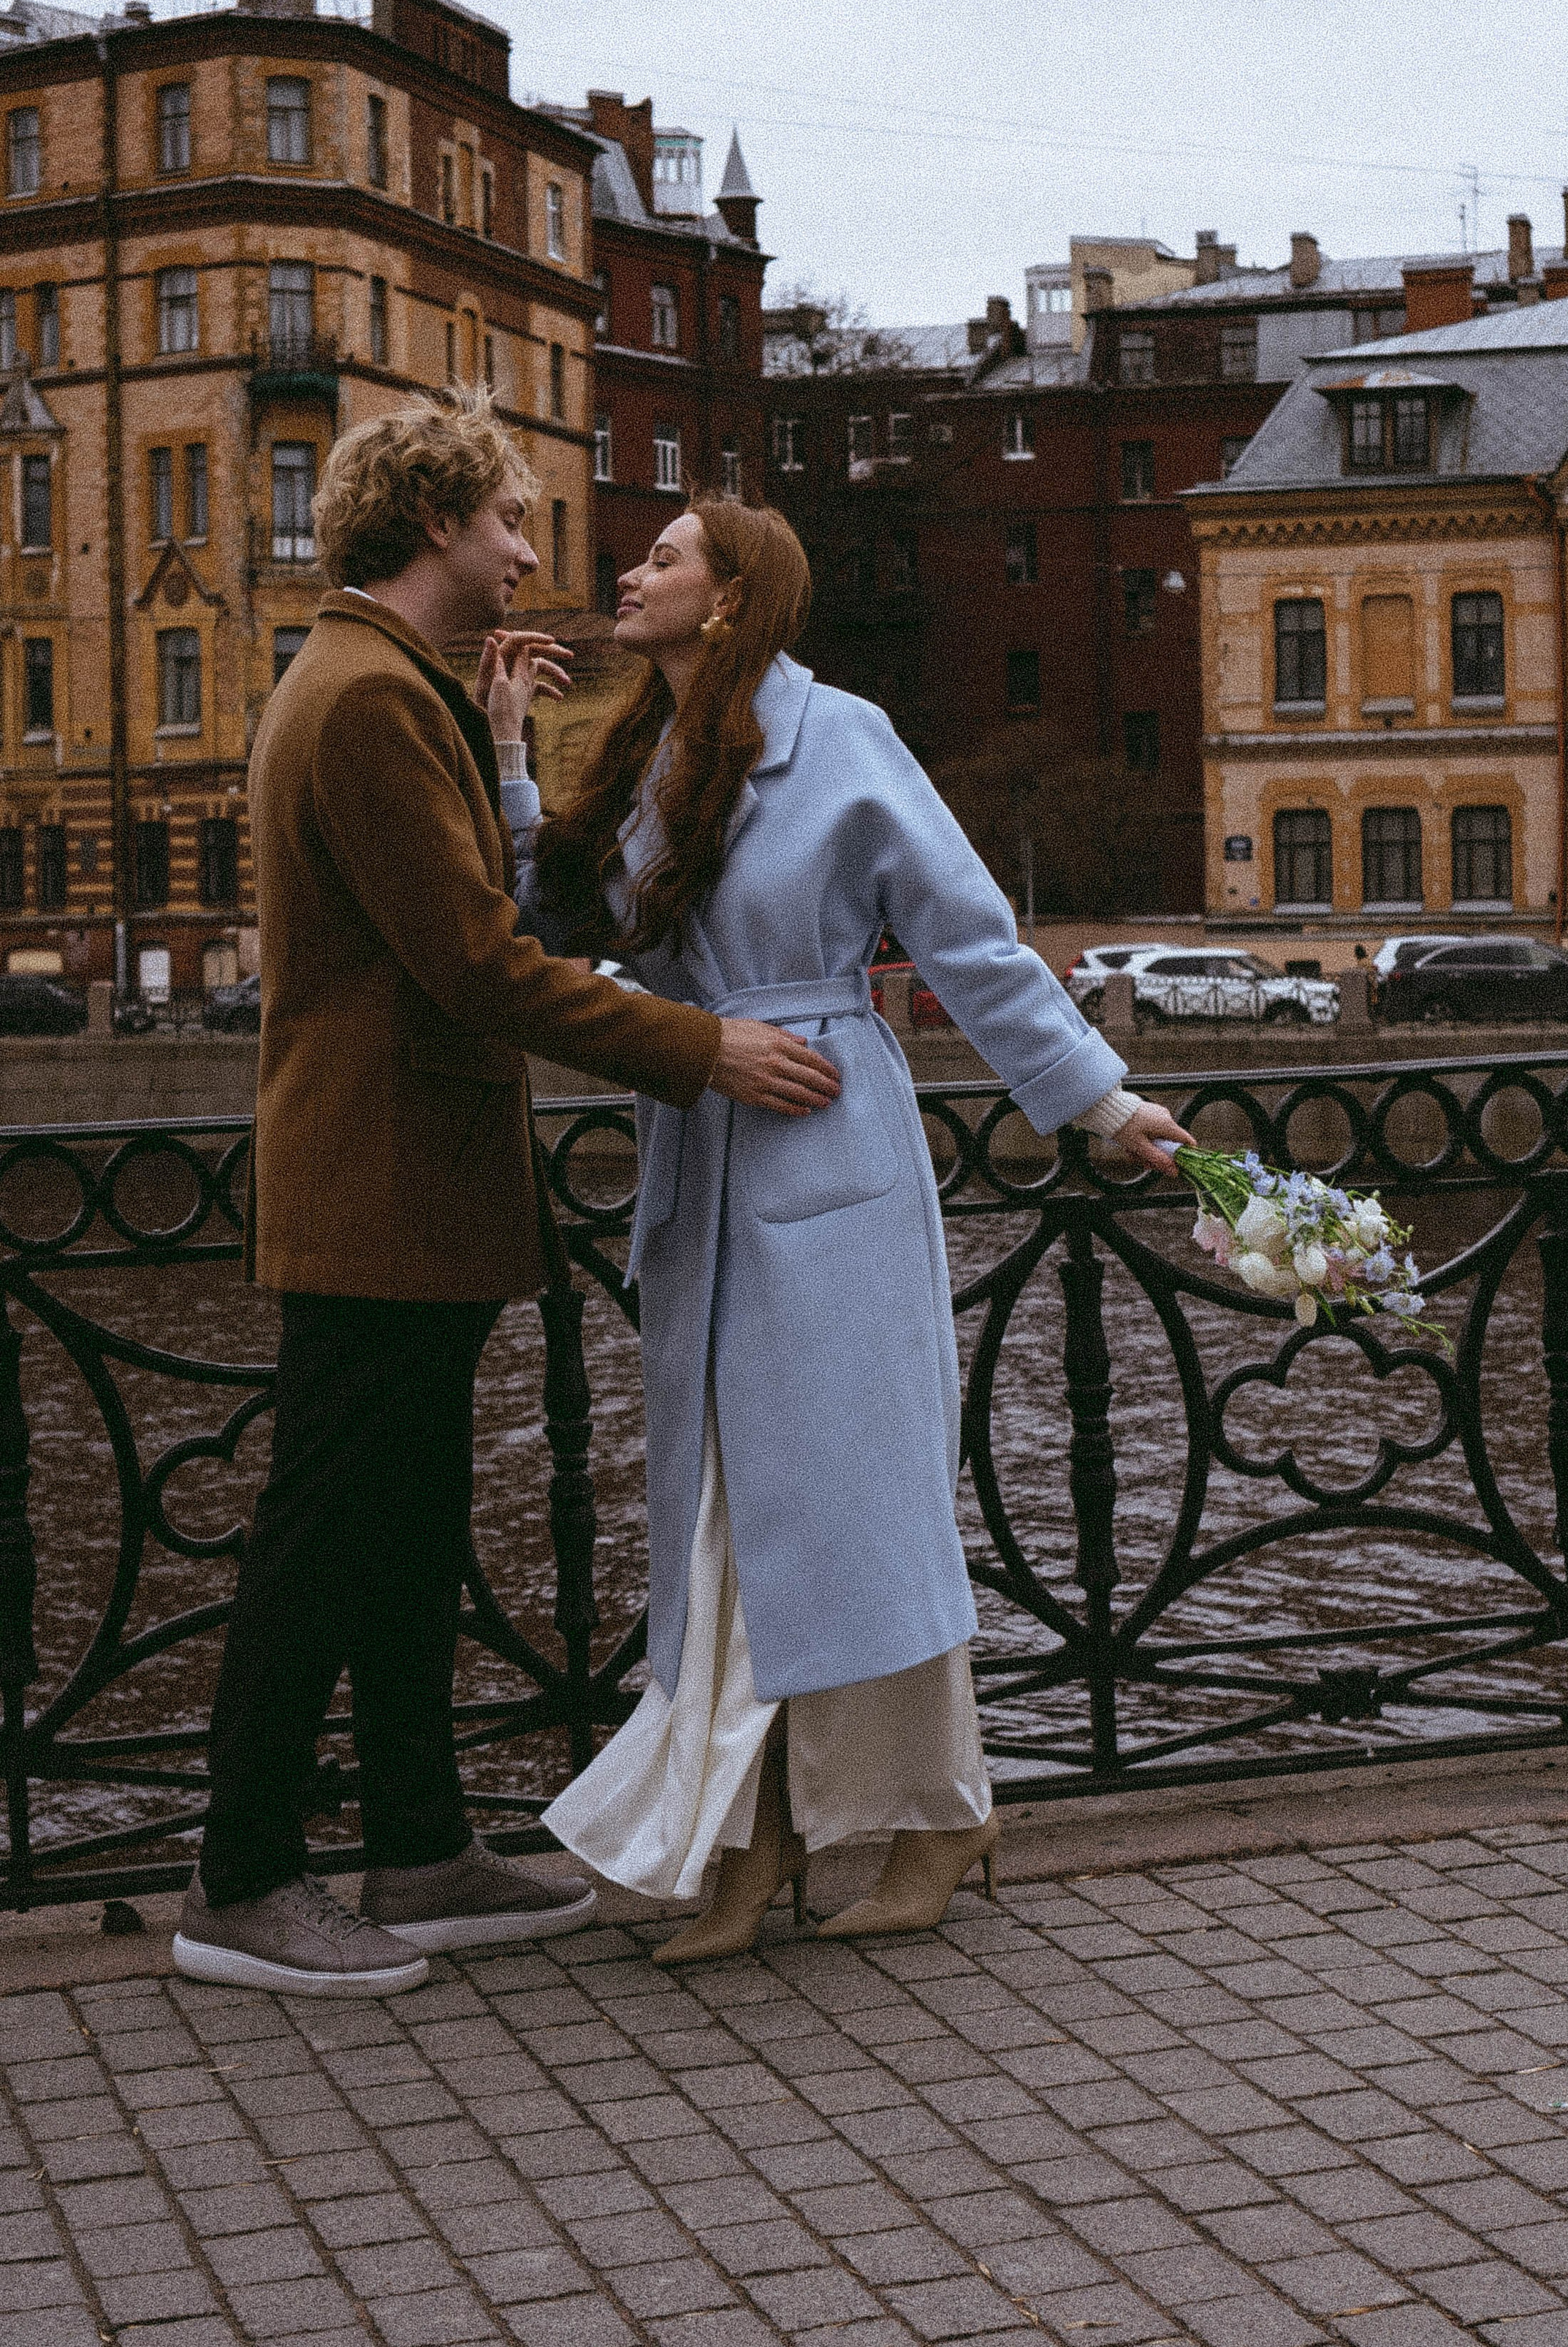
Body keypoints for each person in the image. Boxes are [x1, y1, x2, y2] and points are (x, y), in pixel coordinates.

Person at [175, 400, 839, 2000]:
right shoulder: (363, 700)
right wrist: (700, 1048)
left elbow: (460, 912)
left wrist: (497, 750)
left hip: (400, 1185)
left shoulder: (382, 683)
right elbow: (476, 960)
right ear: (434, 523)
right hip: (380, 1182)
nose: (533, 553)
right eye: (510, 521)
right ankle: (240, 1879)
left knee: (402, 1528)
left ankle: (417, 1846)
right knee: (324, 1535)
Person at [509, 501, 1191, 1960]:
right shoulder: (641, 750)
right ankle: (754, 1838)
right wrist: (514, 761)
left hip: (826, 1137)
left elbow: (966, 936)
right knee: (725, 1517)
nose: (631, 571)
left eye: (665, 557)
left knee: (849, 1509)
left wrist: (1097, 1100)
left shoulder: (843, 736)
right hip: (707, 1137)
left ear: (732, 593)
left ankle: (929, 1818)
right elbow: (555, 932)